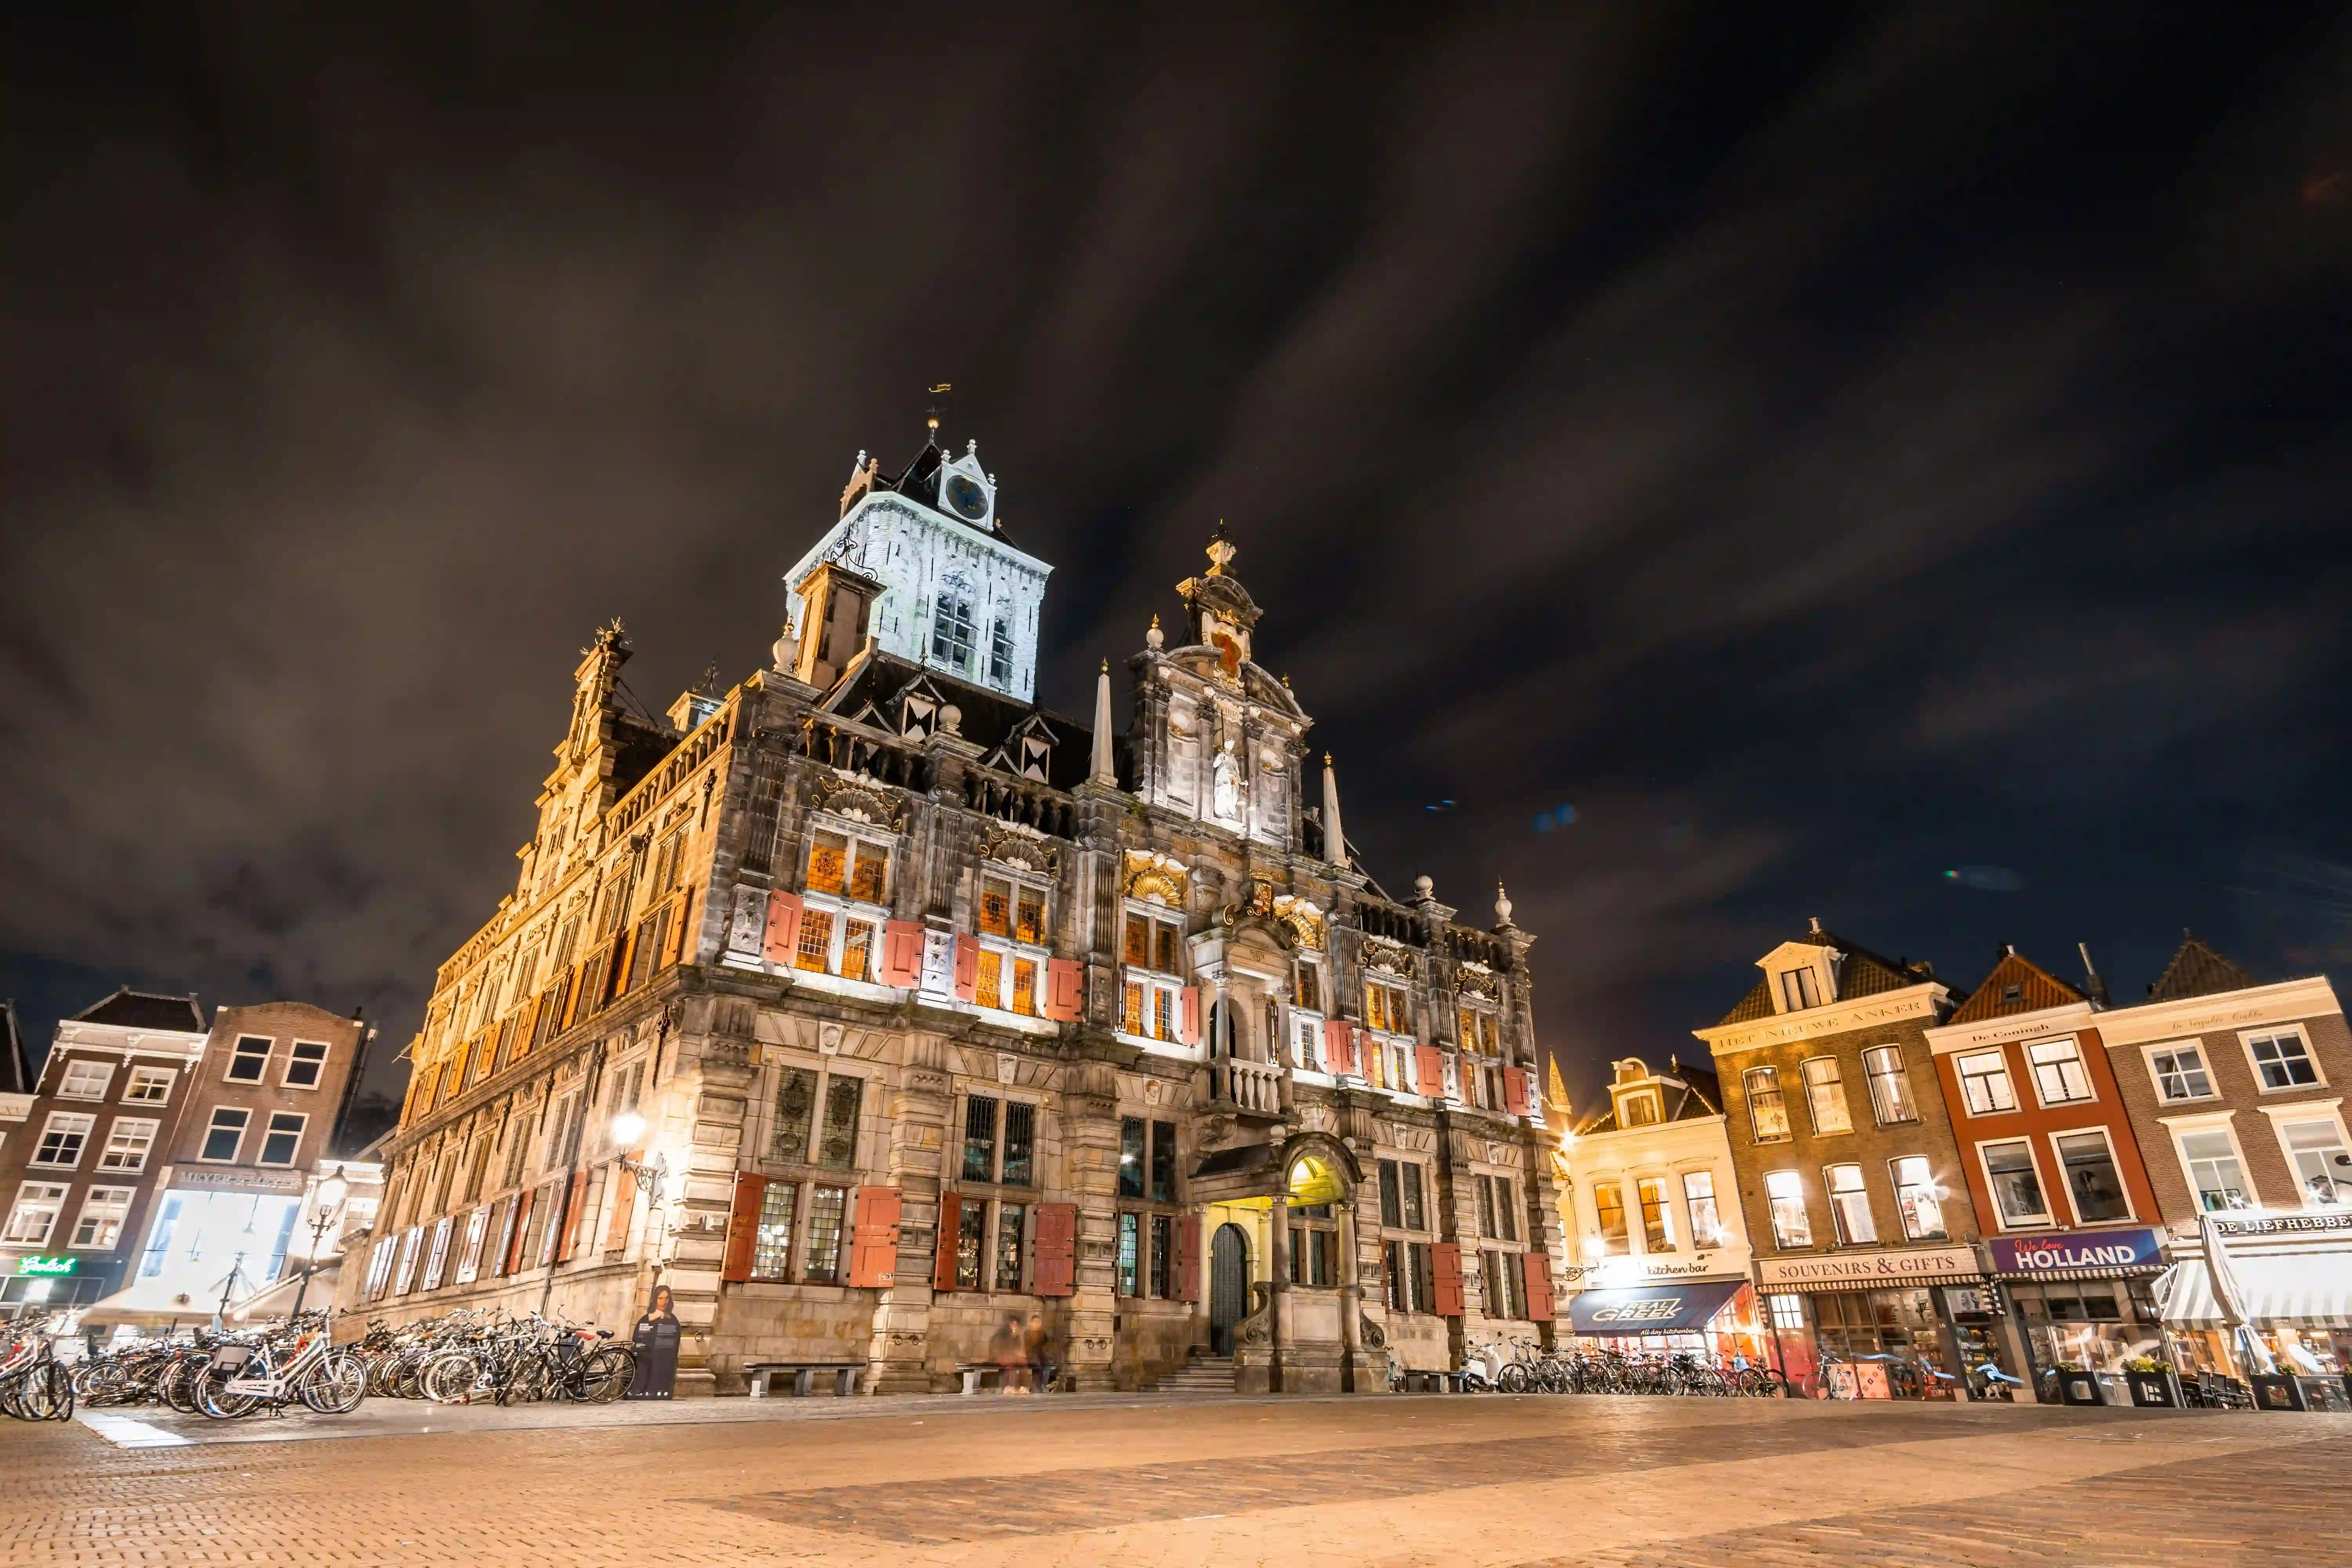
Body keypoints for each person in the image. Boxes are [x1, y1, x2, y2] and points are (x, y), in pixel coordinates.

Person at [993, 1314, 1027, 1394]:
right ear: (1010, 1325)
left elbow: (1018, 1347)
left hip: (1011, 1356)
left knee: (1024, 1363)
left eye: (1016, 1325)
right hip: (1000, 1356)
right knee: (1011, 1364)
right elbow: (1001, 1346)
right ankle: (1009, 1386)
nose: (1015, 1327)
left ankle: (1020, 1386)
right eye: (1014, 1325)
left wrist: (1019, 1354)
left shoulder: (1017, 1335)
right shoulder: (1002, 1333)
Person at [1024, 1313, 1053, 1395]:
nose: (1036, 1324)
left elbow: (1047, 1344)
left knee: (1047, 1367)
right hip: (1031, 1355)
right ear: (1032, 1323)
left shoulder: (1042, 1333)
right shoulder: (1028, 1333)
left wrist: (1048, 1352)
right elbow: (1030, 1346)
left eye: (1038, 1322)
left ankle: (1043, 1386)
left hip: (1041, 1355)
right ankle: (1036, 1387)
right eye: (1035, 1322)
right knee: (1038, 1366)